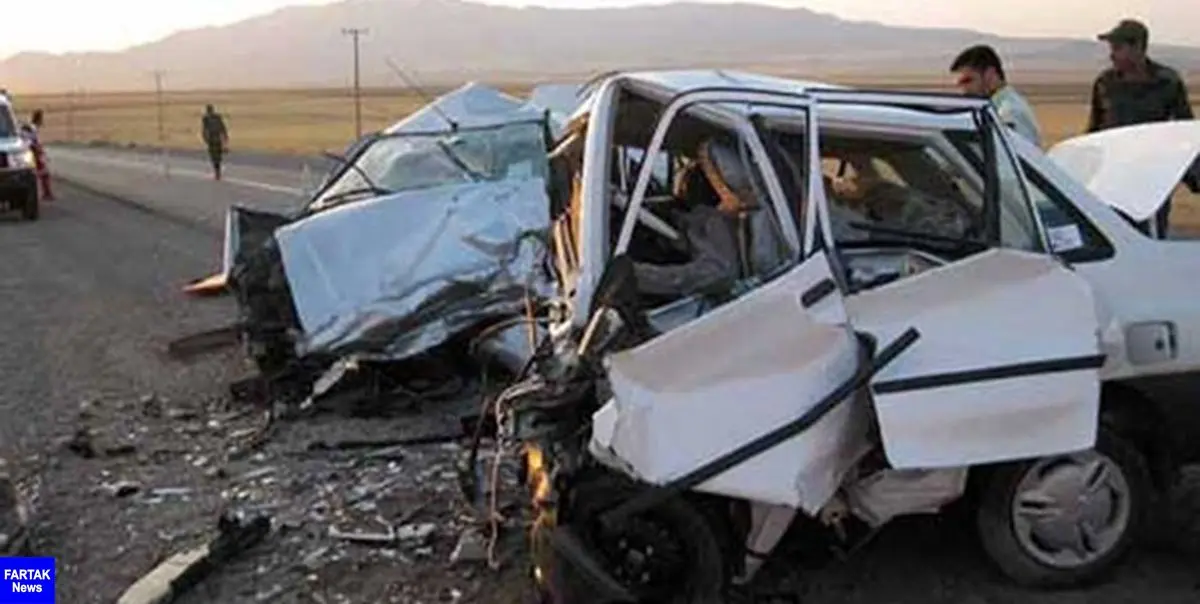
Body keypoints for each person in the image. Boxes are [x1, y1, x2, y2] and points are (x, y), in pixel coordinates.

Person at [1087, 18, 1195, 237]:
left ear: (1138, 47)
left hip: (1150, 183)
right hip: (1112, 182)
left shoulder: (1167, 82)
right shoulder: (1105, 83)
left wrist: (1193, 176)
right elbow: (1094, 130)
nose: (1111, 55)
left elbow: (1185, 130)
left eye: (1117, 48)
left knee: (1151, 241)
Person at [950, 44, 1044, 147]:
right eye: (960, 84)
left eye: (968, 81)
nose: (963, 90)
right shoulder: (993, 109)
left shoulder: (1010, 112)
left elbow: (1019, 157)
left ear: (990, 74)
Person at [20, 110, 53, 201]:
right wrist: (39, 151)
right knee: (43, 173)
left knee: (40, 173)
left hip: (30, 153)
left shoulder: (30, 127)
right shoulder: (32, 128)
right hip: (32, 153)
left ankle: (46, 193)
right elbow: (31, 142)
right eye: (41, 119)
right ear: (38, 119)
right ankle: (46, 193)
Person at [201, 104, 229, 180]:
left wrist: (205, 139)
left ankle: (217, 173)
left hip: (212, 139)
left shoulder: (206, 118)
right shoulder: (217, 117)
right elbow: (223, 128)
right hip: (218, 138)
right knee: (217, 155)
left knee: (214, 156)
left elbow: (204, 129)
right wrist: (225, 139)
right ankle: (218, 172)